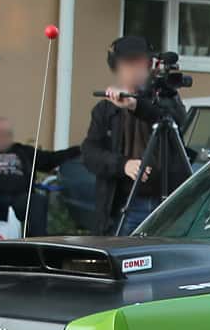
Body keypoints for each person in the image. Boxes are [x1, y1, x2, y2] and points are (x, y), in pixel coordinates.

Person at [79, 35, 192, 234]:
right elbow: (90, 153)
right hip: (126, 204)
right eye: (130, 64)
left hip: (166, 205)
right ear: (117, 67)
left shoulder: (163, 101)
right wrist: (124, 165)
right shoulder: (105, 110)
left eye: (141, 63)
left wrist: (135, 105)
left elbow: (178, 122)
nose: (136, 70)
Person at [0, 116, 79, 235]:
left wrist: (81, 149)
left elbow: (50, 159)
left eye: (7, 134)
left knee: (37, 200)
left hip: (19, 199)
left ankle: (36, 247)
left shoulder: (22, 151)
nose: (3, 137)